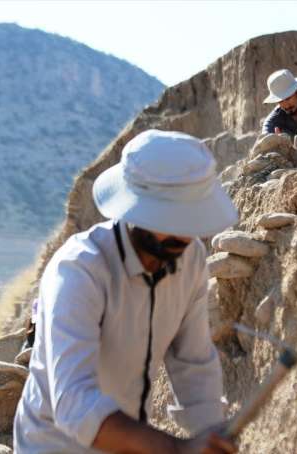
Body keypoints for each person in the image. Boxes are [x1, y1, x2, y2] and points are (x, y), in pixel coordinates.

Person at [14, 130, 239, 454]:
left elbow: (193, 364)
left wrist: (211, 434)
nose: (186, 236)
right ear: (136, 212)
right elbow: (74, 403)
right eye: (173, 221)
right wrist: (177, 449)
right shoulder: (80, 271)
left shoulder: (190, 261)